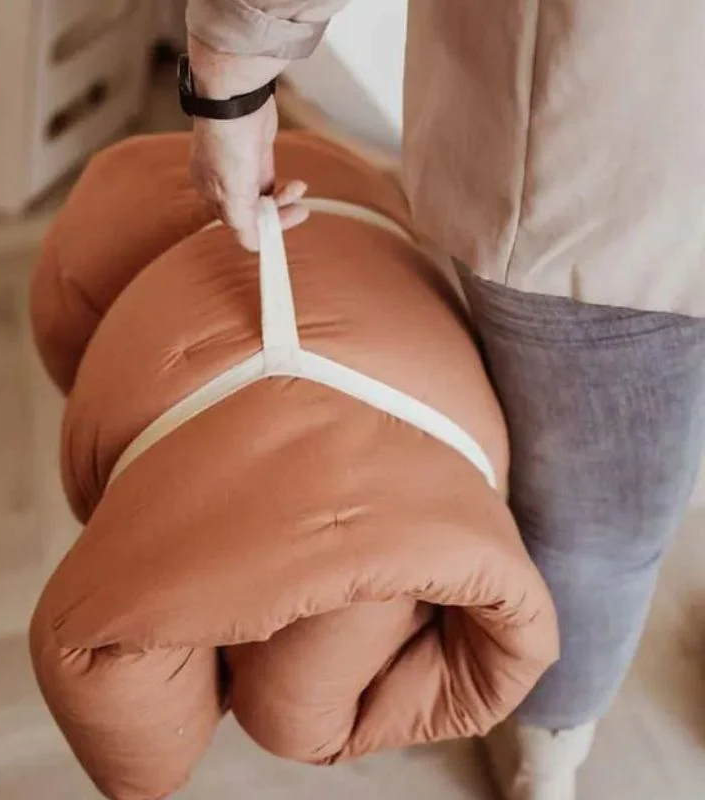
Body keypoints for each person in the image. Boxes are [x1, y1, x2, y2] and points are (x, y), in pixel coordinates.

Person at [182, 2, 705, 797]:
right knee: (599, 525)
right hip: (622, 163)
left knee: (597, 531)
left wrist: (232, 70)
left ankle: (546, 753)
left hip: (611, 166)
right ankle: (548, 754)